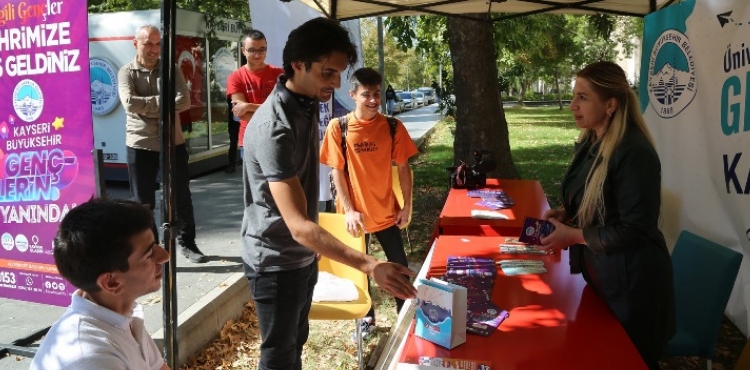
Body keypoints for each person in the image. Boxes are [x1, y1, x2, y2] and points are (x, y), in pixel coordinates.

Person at [242, 18, 417, 370]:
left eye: (339, 72)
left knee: (296, 345)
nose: (335, 83)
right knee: (279, 355)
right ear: (298, 65)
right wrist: (371, 265)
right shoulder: (275, 125)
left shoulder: (304, 105)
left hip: (303, 257)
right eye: (327, 73)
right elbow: (299, 227)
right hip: (275, 260)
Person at [539, 61, 675, 369]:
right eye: (574, 96)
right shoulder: (592, 141)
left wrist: (572, 235)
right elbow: (600, 200)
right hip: (605, 277)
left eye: (583, 97)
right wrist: (567, 213)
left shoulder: (634, 152)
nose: (572, 105)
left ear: (610, 104)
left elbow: (635, 229)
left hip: (634, 289)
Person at [320, 67, 418, 339]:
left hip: (387, 213)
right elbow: (336, 171)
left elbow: (403, 168)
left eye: (377, 94)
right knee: (358, 273)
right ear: (352, 95)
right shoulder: (338, 127)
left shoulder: (392, 126)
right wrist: (349, 210)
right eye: (366, 95)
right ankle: (366, 321)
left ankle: (406, 318)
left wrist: (406, 205)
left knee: (399, 268)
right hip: (354, 219)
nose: (374, 100)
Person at [29, 198, 171, 370]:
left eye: (155, 244)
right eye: (149, 254)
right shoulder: (91, 359)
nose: (164, 256)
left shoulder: (120, 314)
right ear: (111, 282)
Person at [118, 24, 207, 263]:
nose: (154, 48)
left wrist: (146, 106)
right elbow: (128, 103)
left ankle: (188, 245)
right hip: (140, 144)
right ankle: (151, 251)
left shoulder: (171, 69)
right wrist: (164, 104)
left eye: (158, 43)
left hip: (172, 142)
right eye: (148, 43)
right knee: (142, 203)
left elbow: (184, 101)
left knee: (181, 197)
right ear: (135, 43)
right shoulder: (126, 72)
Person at [226, 28, 284, 173]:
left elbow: (283, 107)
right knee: (256, 191)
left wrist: (249, 106)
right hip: (250, 141)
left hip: (277, 138)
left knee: (278, 188)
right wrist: (272, 111)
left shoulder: (279, 74)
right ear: (243, 50)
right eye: (252, 50)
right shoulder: (236, 77)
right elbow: (241, 113)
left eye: (262, 49)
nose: (257, 54)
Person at [225, 95, 240, 173]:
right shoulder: (230, 98)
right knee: (233, 143)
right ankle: (232, 164)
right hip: (234, 123)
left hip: (245, 121)